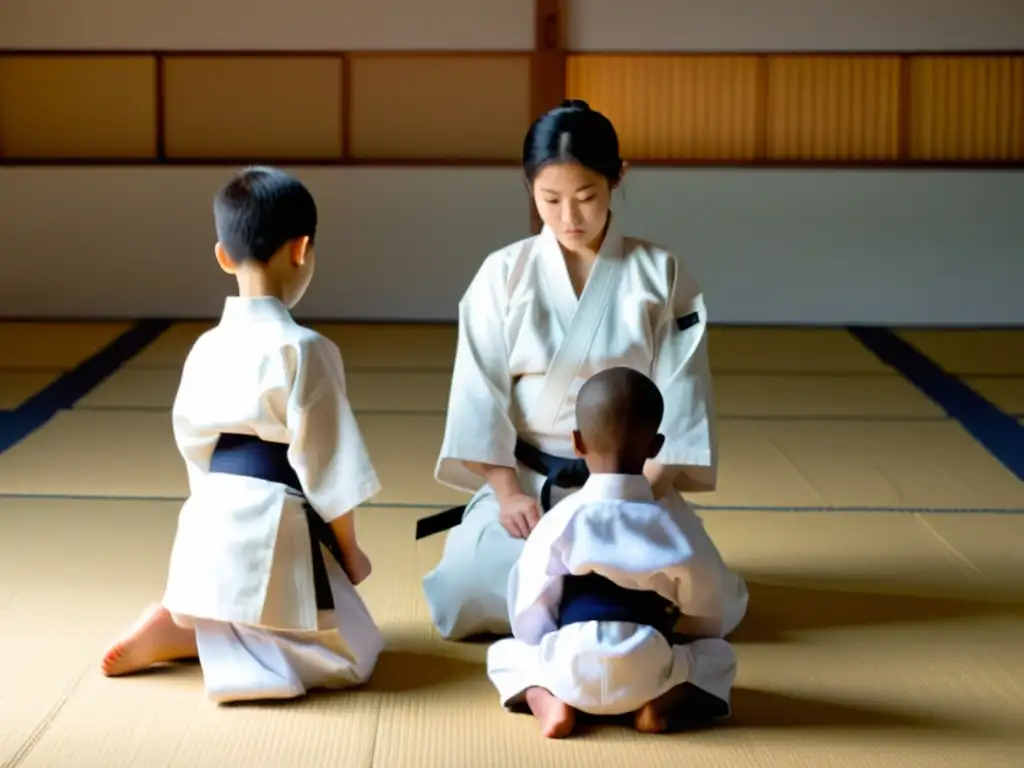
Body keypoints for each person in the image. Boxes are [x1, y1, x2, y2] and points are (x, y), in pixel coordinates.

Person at [419, 99, 748, 641]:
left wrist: (635, 494)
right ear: (529, 188)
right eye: (550, 199)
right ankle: (604, 597)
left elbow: (683, 394)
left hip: (635, 483)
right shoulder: (502, 275)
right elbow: (477, 398)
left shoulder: (660, 273)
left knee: (709, 605)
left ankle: (577, 596)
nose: (569, 217)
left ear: (617, 178)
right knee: (463, 594)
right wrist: (507, 494)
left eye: (586, 197)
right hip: (531, 485)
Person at [100, 166, 384, 704]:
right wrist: (350, 552)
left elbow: (192, 447)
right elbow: (329, 469)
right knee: (354, 651)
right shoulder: (305, 349)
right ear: (302, 250)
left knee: (261, 601)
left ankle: (191, 620)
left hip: (206, 522)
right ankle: (198, 638)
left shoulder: (205, 346)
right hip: (274, 520)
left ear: (223, 256)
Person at [486, 367, 742, 738]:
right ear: (656, 447)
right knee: (719, 657)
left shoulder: (560, 520)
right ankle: (659, 704)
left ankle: (547, 699)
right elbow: (706, 597)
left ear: (577, 443)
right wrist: (691, 635)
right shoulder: (672, 523)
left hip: (569, 665)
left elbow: (532, 599)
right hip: (647, 662)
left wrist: (544, 645)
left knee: (505, 654)